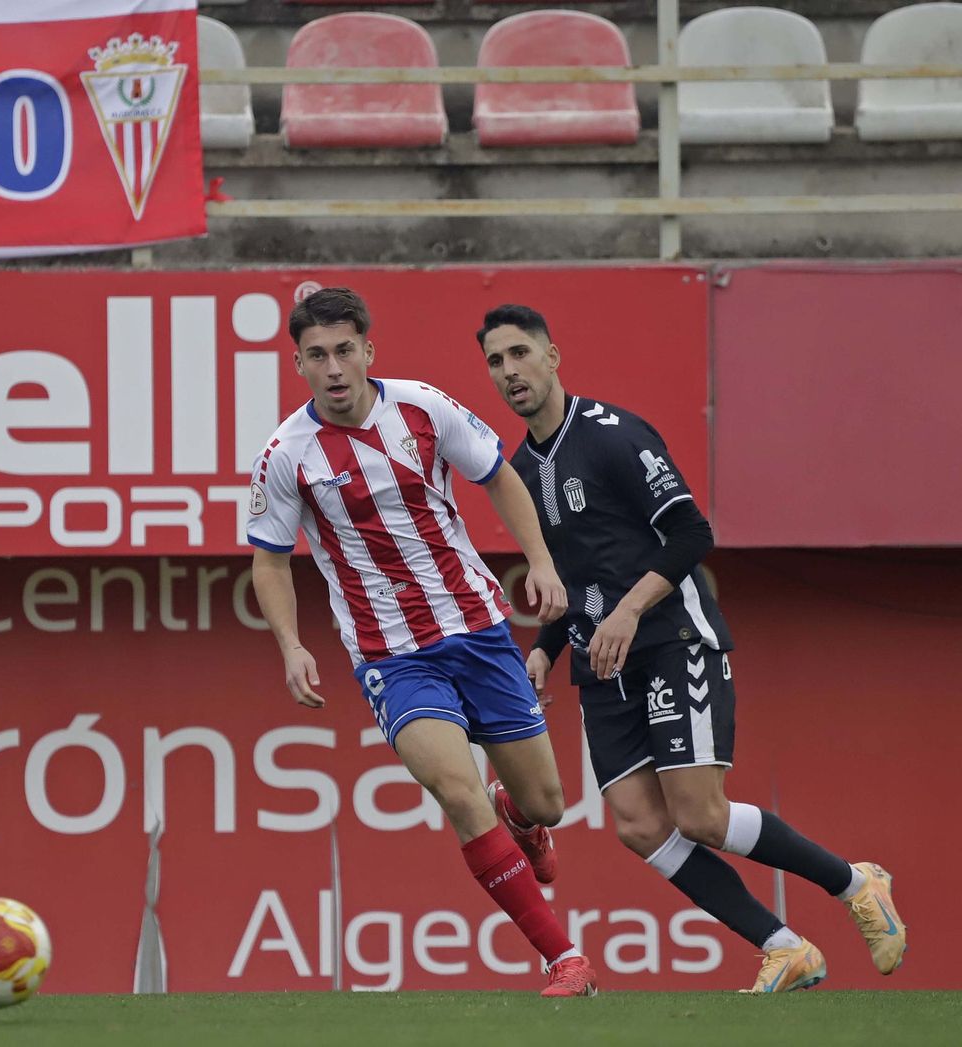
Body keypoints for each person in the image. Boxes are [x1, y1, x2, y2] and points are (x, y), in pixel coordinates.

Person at [477, 302, 908, 994]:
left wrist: (628, 610)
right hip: (601, 663)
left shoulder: (614, 434)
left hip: (671, 640)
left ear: (553, 356)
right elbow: (573, 573)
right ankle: (785, 945)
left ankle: (857, 882)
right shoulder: (519, 470)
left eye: (520, 353)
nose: (509, 371)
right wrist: (544, 648)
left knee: (700, 813)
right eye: (496, 361)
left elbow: (689, 533)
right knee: (640, 825)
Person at [247, 287, 598, 997]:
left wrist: (540, 560)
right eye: (318, 356)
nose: (335, 368)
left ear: (369, 350)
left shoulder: (424, 407)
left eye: (346, 350)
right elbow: (270, 557)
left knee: (548, 801)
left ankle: (522, 818)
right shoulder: (288, 453)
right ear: (299, 365)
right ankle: (565, 957)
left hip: (477, 628)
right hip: (392, 656)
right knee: (457, 792)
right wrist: (290, 644)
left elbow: (498, 475)